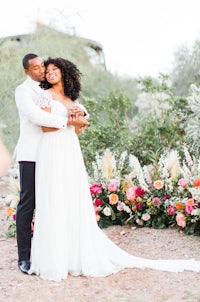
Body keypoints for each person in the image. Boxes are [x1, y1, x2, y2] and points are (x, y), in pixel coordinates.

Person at [29, 57, 200, 281]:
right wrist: (71, 122)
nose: (50, 73)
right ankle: (54, 259)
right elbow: (44, 127)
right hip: (52, 150)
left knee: (72, 197)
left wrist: (79, 122)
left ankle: (73, 255)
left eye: (55, 70)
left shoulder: (72, 98)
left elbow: (78, 131)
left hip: (70, 150)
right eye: (48, 71)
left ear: (64, 72)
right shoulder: (45, 96)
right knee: (55, 196)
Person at [15, 54, 89, 274]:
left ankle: (61, 252)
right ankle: (25, 257)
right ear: (27, 71)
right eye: (36, 68)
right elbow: (36, 116)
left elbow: (73, 104)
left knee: (57, 201)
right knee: (28, 204)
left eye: (43, 67)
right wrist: (70, 120)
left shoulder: (52, 88)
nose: (41, 70)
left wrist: (82, 113)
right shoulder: (24, 91)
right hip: (32, 154)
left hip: (55, 154)